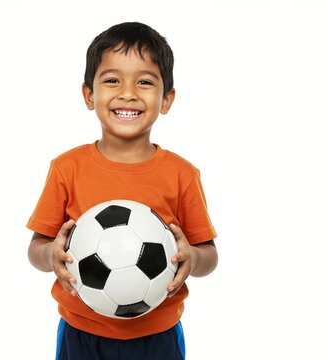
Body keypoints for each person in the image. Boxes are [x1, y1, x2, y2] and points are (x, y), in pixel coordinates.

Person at [26, 21, 218, 360]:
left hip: (157, 336)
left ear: (167, 99)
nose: (127, 93)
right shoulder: (66, 168)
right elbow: (37, 248)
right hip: (82, 333)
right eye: (112, 80)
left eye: (144, 82)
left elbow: (208, 256)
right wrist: (50, 255)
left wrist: (193, 257)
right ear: (89, 95)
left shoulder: (182, 174)